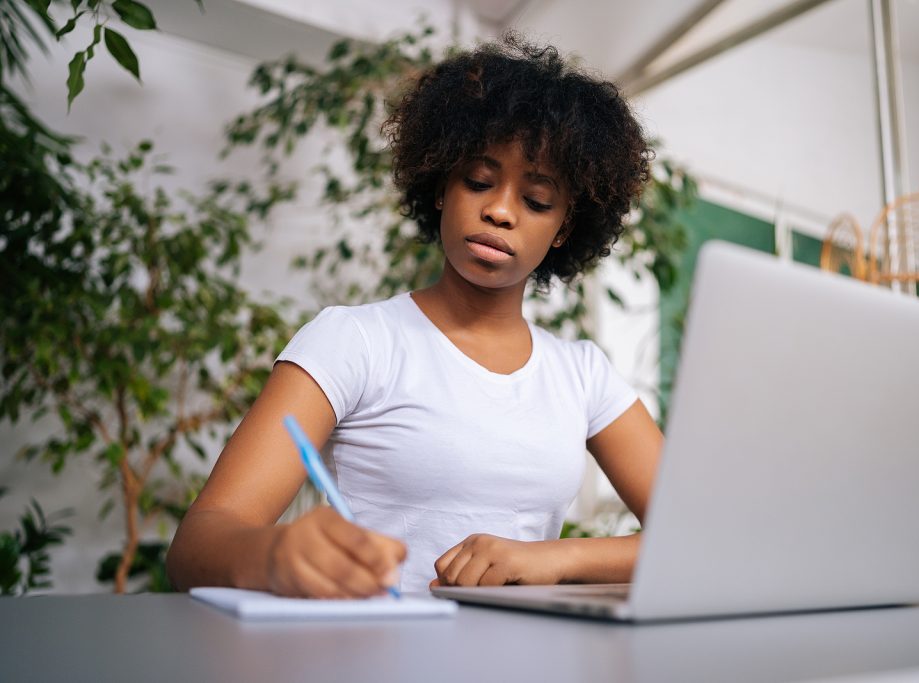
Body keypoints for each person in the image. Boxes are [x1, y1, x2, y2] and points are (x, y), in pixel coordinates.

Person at [166, 34, 663, 597]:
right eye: (478, 181)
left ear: (564, 229)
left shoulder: (582, 374)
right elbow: (196, 548)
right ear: (439, 189)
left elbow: (692, 541)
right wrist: (273, 552)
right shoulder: (354, 341)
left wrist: (554, 559)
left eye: (537, 200)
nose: (499, 210)